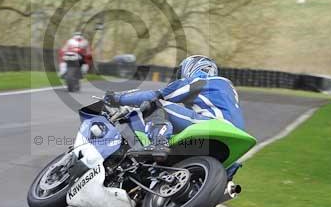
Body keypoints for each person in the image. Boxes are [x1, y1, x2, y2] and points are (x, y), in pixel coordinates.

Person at [104, 55, 244, 160]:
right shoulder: (228, 88)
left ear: (191, 67)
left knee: (155, 104)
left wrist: (118, 99)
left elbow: (156, 95)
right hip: (235, 136)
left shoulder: (199, 81)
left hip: (213, 124)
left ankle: (158, 143)